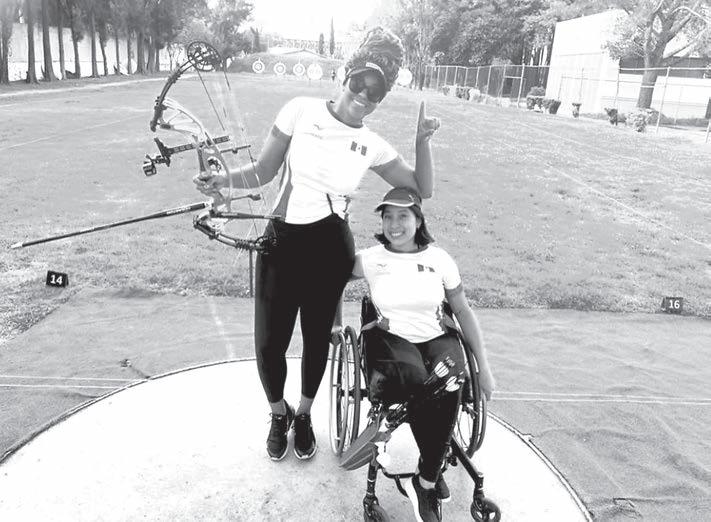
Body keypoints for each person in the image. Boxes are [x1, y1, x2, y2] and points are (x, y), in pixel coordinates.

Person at [193, 27, 441, 461]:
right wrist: (222, 181)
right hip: (282, 242)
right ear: (345, 75)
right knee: (268, 344)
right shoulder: (300, 110)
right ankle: (279, 414)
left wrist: (422, 141)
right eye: (359, 82)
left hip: (330, 250)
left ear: (382, 98)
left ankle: (304, 415)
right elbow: (263, 171)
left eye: (376, 92)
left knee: (315, 340)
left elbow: (422, 188)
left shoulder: (372, 145)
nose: (363, 95)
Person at [351, 186, 495, 522]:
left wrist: (484, 368)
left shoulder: (439, 259)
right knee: (420, 380)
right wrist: (329, 323)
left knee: (453, 379)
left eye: (403, 216)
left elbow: (462, 310)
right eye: (387, 216)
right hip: (390, 338)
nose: (394, 224)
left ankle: (425, 479)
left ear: (418, 220)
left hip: (436, 336)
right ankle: (431, 468)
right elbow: (327, 278)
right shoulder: (370, 259)